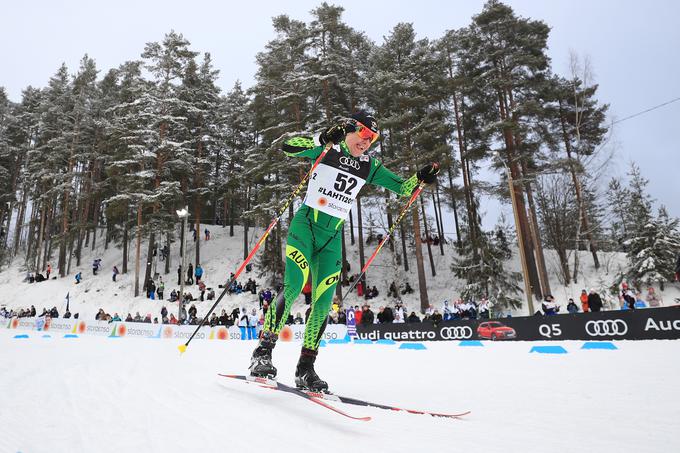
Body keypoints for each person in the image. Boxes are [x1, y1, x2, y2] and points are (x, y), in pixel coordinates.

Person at [248, 110, 440, 392]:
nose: (367, 142)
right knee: (294, 286)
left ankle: (306, 368)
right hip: (306, 227)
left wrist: (421, 177)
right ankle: (262, 354)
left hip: (332, 237)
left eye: (373, 139)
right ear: (351, 129)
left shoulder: (369, 165)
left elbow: (403, 188)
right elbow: (288, 148)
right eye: (363, 134)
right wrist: (322, 137)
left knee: (324, 302)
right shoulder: (329, 148)